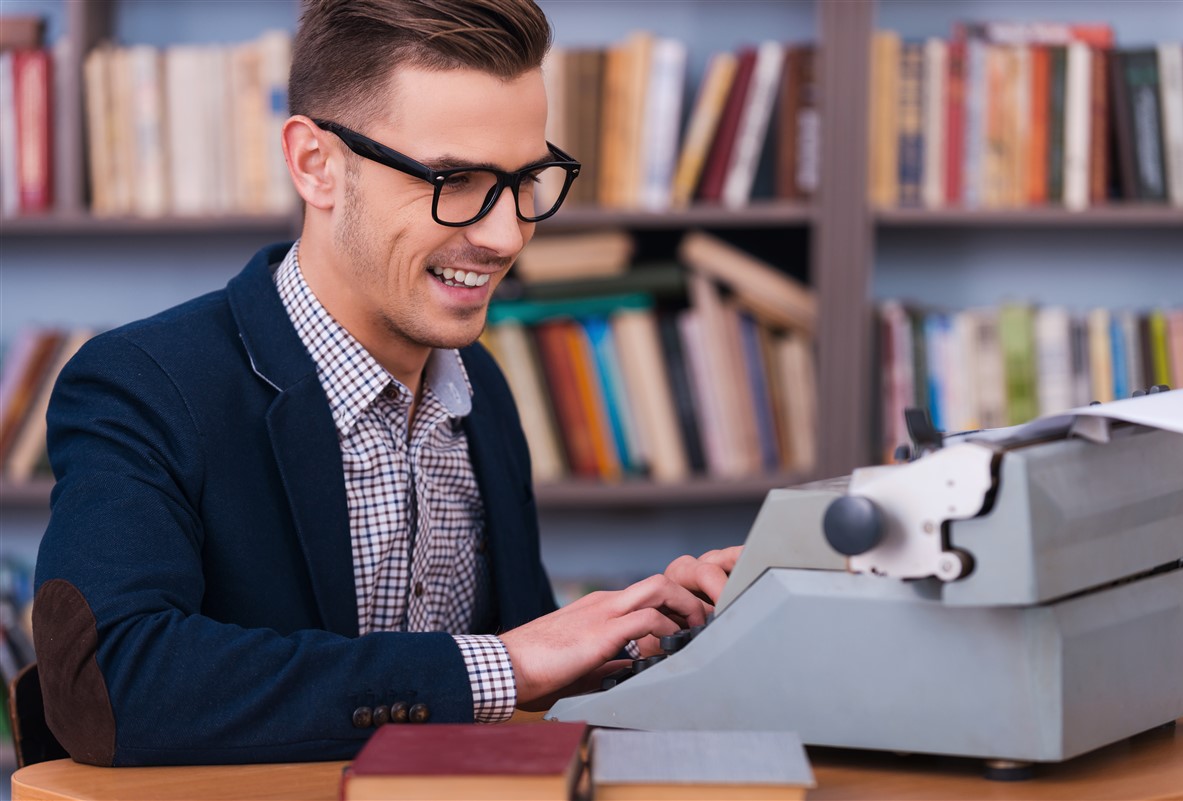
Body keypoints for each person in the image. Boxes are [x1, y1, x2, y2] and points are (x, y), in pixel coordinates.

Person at [32, 0, 740, 767]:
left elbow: (516, 684)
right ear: (315, 165)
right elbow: (111, 683)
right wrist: (506, 664)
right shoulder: (142, 385)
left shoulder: (484, 391)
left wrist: (644, 636)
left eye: (528, 179)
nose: (506, 237)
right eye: (455, 178)